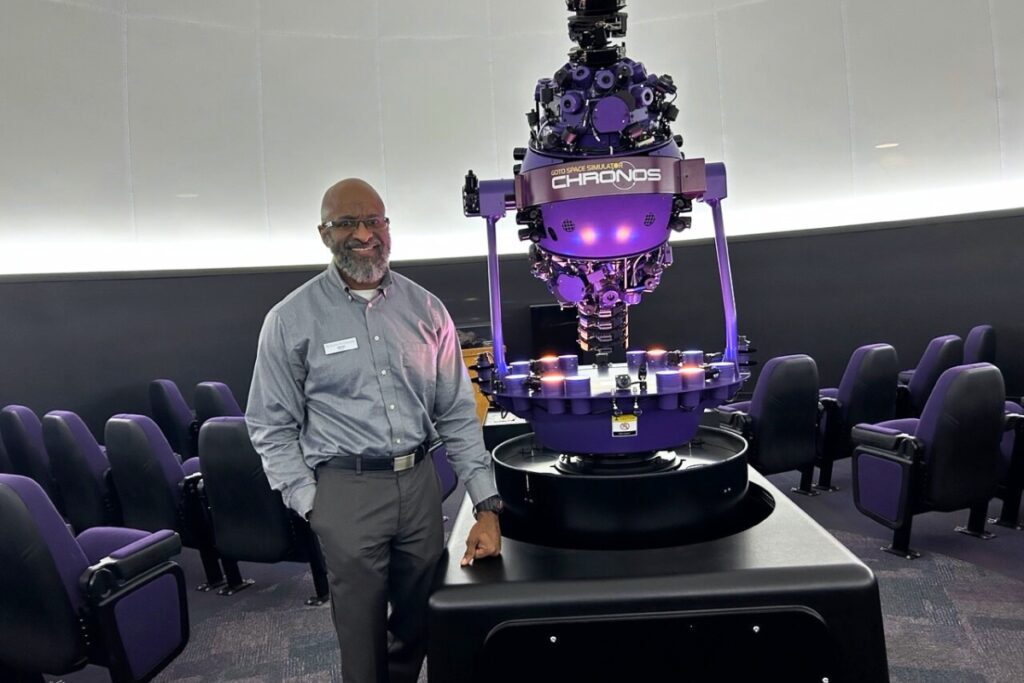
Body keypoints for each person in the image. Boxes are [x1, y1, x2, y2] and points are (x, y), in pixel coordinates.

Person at [245, 178, 503, 683]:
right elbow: (269, 424)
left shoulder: (427, 310)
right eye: (347, 223)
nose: (364, 234)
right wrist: (311, 502)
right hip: (346, 492)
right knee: (360, 636)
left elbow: (455, 413)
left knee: (418, 620)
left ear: (388, 227)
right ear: (325, 234)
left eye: (374, 221)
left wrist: (486, 505)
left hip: (420, 486)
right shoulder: (290, 320)